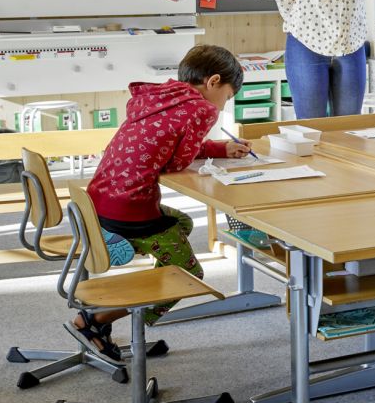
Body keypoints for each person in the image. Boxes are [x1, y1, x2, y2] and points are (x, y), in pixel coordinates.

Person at [73, 45, 250, 358]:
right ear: (213, 82)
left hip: (99, 202)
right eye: (227, 95)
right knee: (189, 273)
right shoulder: (203, 109)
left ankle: (147, 277)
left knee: (182, 223)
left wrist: (220, 149)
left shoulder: (161, 96)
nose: (224, 104)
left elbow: (165, 140)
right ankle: (96, 319)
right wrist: (206, 146)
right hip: (130, 210)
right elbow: (177, 161)